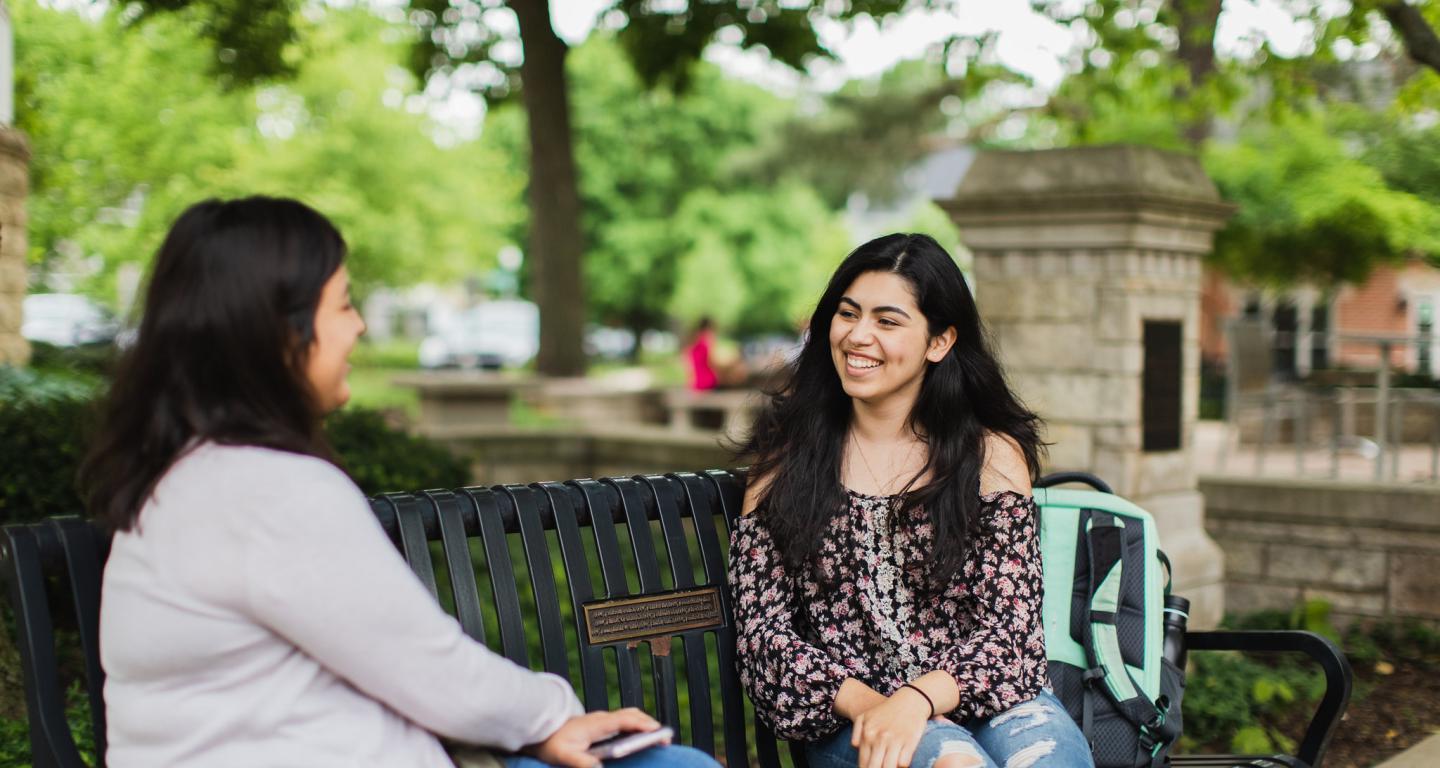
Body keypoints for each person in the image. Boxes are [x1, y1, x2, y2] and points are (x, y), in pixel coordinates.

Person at [81, 196, 719, 768]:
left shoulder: (186, 475)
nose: (358, 326)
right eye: (343, 304)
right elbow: (437, 676)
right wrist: (556, 715)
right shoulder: (267, 490)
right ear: (278, 331)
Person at [729, 233, 1094, 768]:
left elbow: (1012, 634)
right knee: (953, 764)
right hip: (851, 715)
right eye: (847, 314)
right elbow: (764, 638)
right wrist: (879, 708)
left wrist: (918, 699)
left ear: (939, 342)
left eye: (888, 321)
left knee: (1047, 760)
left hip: (981, 697)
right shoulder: (786, 459)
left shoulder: (987, 457)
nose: (858, 336)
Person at [685, 316, 719, 391]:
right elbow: (712, 360)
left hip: (695, 382)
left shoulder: (693, 338)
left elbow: (686, 359)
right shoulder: (708, 338)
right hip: (708, 381)